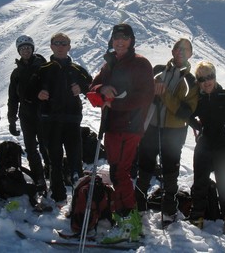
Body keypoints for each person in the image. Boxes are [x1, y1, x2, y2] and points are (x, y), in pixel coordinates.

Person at [90, 23, 154, 244]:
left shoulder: (141, 64)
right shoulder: (110, 64)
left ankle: (129, 224)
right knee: (118, 171)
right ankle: (128, 217)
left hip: (129, 127)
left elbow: (144, 96)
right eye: (116, 37)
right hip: (113, 127)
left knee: (120, 173)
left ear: (131, 40)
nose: (120, 41)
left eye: (125, 37)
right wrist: (102, 89)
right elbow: (93, 87)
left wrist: (112, 103)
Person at [135, 38, 198, 227]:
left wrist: (164, 94)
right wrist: (152, 90)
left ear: (190, 54)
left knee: (170, 170)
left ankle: (169, 209)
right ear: (172, 51)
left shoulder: (191, 81)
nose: (180, 52)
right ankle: (139, 204)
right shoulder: (157, 70)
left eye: (185, 49)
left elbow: (185, 111)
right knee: (145, 166)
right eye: (178, 48)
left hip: (174, 131)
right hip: (152, 126)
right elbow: (143, 94)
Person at [30, 32, 92, 207]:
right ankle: (59, 197)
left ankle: (80, 199)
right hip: (50, 121)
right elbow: (28, 92)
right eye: (56, 43)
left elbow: (92, 87)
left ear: (69, 47)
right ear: (51, 46)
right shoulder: (42, 70)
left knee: (75, 161)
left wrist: (82, 87)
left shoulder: (77, 70)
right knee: (54, 161)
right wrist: (38, 94)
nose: (60, 46)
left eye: (63, 43)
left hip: (72, 120)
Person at [187, 61, 225, 235]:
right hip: (204, 147)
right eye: (202, 78)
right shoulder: (199, 99)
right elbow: (187, 111)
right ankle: (197, 217)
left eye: (210, 76)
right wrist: (194, 123)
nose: (207, 81)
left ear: (215, 77)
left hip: (224, 150)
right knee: (200, 184)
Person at [7, 35, 49, 195]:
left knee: (46, 146)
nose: (25, 50)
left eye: (28, 47)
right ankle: (39, 178)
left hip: (43, 113)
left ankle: (50, 171)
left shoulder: (42, 66)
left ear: (32, 49)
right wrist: (12, 120)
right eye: (22, 48)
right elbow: (12, 98)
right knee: (31, 148)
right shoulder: (16, 73)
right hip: (26, 115)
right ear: (19, 51)